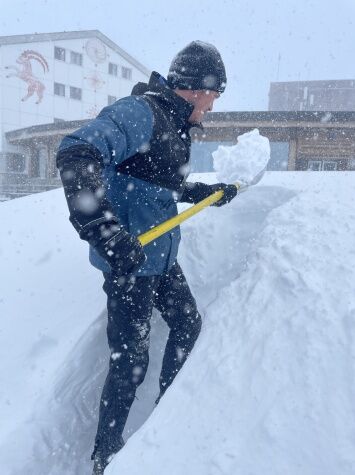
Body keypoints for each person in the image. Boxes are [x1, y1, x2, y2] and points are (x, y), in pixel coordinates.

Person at [56, 40, 238, 474]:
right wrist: (104, 232)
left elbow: (150, 181)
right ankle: (106, 454)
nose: (213, 106)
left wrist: (198, 193)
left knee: (188, 324)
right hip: (129, 266)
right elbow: (77, 152)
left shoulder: (174, 126)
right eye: (216, 94)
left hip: (159, 258)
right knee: (129, 361)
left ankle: (168, 418)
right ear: (198, 87)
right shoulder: (141, 112)